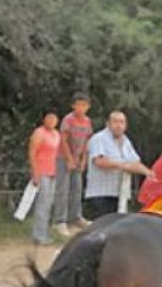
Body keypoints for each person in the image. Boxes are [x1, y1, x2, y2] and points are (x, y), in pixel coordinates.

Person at [84, 111, 153, 219]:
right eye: (115, 122)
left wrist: (147, 172)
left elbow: (135, 162)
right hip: (100, 193)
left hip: (120, 194)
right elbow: (99, 161)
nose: (118, 125)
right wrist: (123, 165)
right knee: (102, 226)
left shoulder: (126, 141)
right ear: (108, 123)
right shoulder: (99, 138)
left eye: (122, 122)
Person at [52, 92, 93, 238]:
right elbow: (63, 140)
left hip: (78, 156)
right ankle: (60, 220)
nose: (81, 108)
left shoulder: (87, 121)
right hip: (64, 157)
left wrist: (83, 160)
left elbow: (87, 141)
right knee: (62, 189)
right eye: (78, 105)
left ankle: (76, 217)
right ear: (73, 106)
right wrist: (68, 159)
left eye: (84, 105)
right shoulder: (68, 120)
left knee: (77, 188)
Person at [28, 110, 61, 245]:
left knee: (49, 203)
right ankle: (38, 234)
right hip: (42, 171)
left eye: (54, 118)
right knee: (42, 203)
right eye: (49, 118)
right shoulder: (39, 133)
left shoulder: (56, 134)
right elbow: (32, 152)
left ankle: (45, 232)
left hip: (53, 171)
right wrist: (35, 172)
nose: (52, 121)